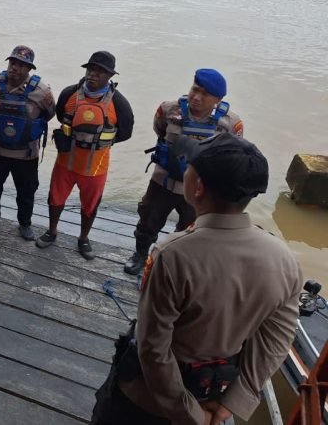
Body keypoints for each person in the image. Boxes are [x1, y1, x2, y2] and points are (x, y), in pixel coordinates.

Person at [91, 134, 301, 425]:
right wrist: (234, 402)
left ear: (198, 186)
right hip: (215, 393)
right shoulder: (285, 260)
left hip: (147, 403)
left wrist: (191, 414)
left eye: (189, 167)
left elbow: (153, 349)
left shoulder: (173, 255)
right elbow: (276, 340)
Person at [124, 69, 244, 275]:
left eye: (205, 94)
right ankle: (140, 255)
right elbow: (159, 130)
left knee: (190, 231)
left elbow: (233, 153)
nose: (196, 97)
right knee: (148, 219)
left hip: (200, 192)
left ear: (218, 99)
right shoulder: (169, 110)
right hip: (163, 182)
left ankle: (174, 264)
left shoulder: (231, 124)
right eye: (195, 90)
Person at [36, 51, 134, 259]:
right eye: (91, 69)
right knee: (55, 199)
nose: (94, 74)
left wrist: (100, 143)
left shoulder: (120, 103)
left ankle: (83, 238)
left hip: (96, 167)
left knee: (90, 205)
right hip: (66, 163)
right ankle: (52, 231)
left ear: (110, 76)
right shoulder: (69, 94)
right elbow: (62, 115)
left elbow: (126, 132)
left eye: (100, 71)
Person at [0, 46, 55, 241]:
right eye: (13, 63)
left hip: (26, 154)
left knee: (26, 191)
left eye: (21, 65)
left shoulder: (41, 91)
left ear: (29, 69)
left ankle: (25, 224)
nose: (15, 68)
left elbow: (50, 113)